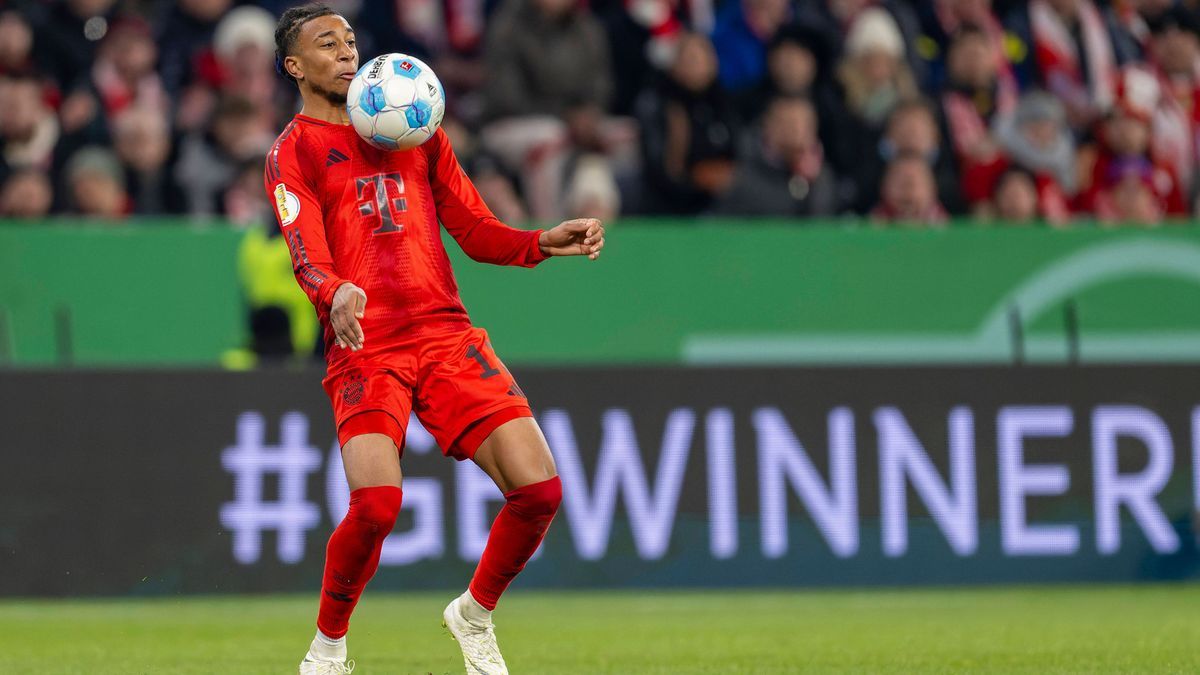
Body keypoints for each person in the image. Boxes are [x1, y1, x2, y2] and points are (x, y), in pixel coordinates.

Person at [265, 5, 605, 674]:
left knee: (540, 491)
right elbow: (303, 248)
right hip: (368, 342)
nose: (345, 51)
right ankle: (328, 647)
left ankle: (473, 613)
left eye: (351, 40)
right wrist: (334, 292)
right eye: (325, 44)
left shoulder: (416, 128)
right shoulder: (293, 151)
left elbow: (476, 231)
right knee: (377, 504)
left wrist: (540, 241)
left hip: (445, 333)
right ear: (294, 66)